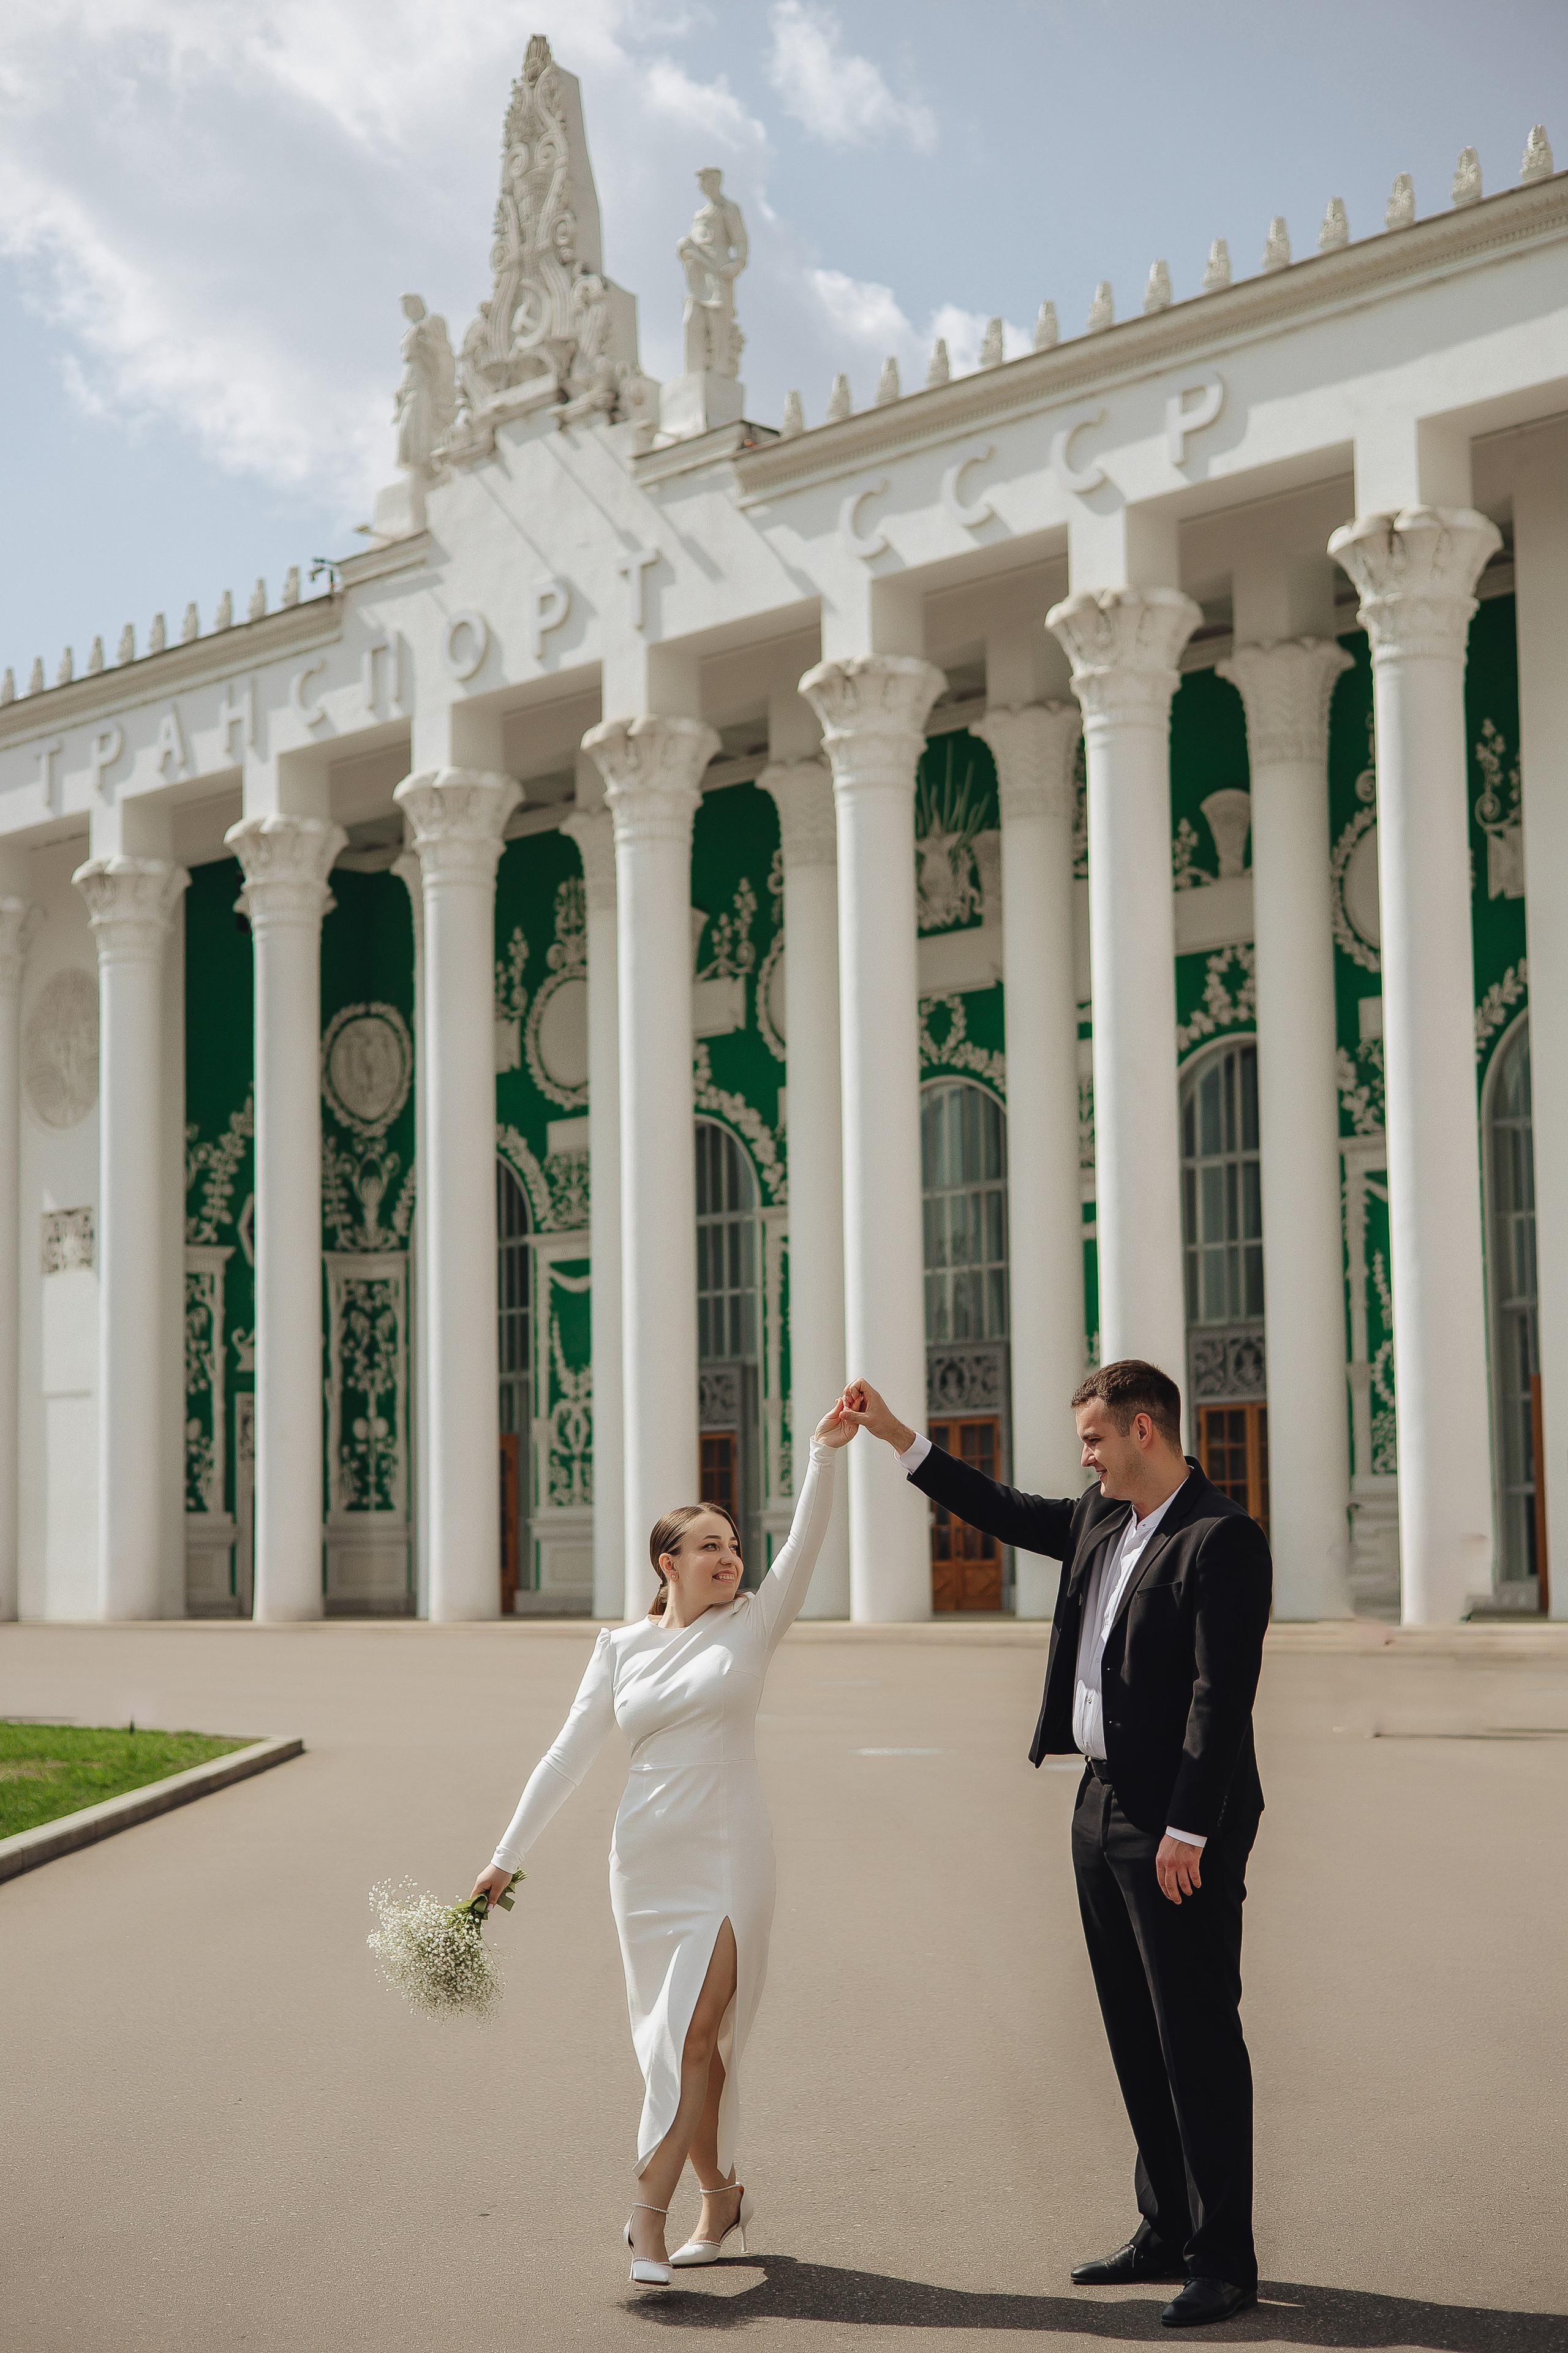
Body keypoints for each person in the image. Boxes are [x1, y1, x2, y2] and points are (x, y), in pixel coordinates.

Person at [840, 1361, 1271, 2330]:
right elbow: (999, 1507)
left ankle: (1225, 2256)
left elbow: (1219, 1695)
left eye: (1094, 1439)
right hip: (1098, 1804)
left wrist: (1189, 1826)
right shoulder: (1099, 1519)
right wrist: (898, 1435)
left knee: (1194, 2032)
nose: (1085, 1456)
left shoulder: (1221, 1539)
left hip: (1177, 1825)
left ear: (1146, 1430)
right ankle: (1164, 2225)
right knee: (1130, 2026)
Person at [469, 1400, 857, 2288]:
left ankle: (646, 2215)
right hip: (644, 1860)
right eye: (710, 1544)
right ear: (667, 1562)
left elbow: (804, 1545)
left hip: (729, 1856)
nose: (731, 1557)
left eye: (733, 1543)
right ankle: (721, 2195)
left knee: (690, 2034)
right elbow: (567, 1755)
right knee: (682, 2042)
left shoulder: (753, 1623)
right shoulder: (620, 1647)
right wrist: (504, 1855)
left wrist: (823, 1456)